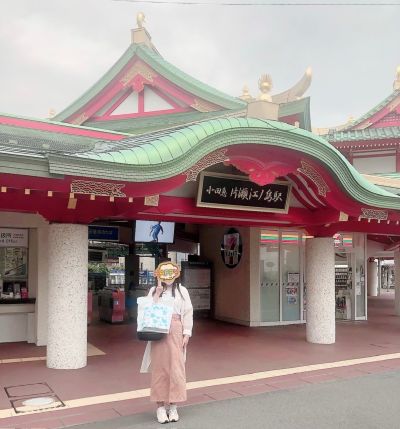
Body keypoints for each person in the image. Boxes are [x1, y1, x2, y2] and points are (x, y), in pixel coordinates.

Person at [140, 276, 193, 424]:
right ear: (159, 274)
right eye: (164, 272)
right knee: (159, 368)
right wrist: (157, 293)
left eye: (171, 272)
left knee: (176, 368)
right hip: (158, 329)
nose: (168, 276)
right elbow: (147, 310)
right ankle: (160, 408)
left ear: (176, 274)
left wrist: (187, 333)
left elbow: (188, 312)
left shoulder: (182, 290)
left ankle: (173, 406)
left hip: (176, 328)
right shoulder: (153, 290)